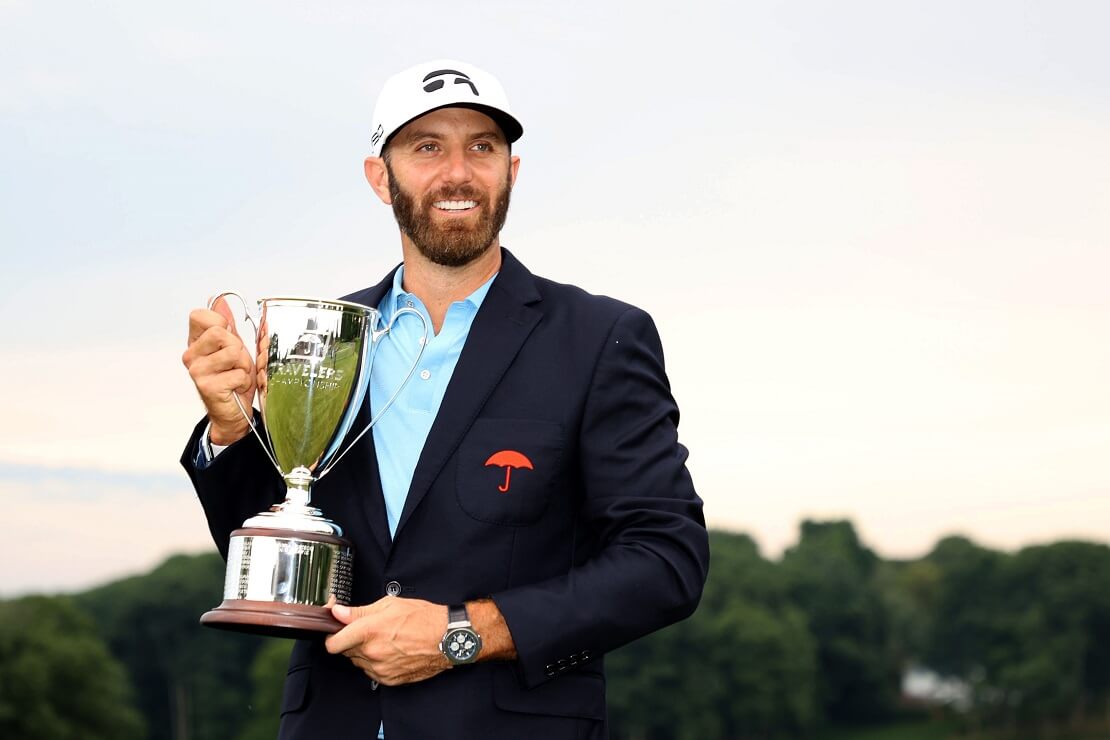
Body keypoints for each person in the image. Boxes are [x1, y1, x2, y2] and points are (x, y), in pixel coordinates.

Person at [180, 59, 709, 740]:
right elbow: (275, 552)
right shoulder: (325, 335)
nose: (457, 172)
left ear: (511, 172)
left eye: (481, 147)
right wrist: (231, 428)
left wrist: (463, 633)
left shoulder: (599, 338)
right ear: (381, 177)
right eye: (427, 147)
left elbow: (666, 561)